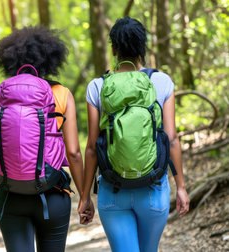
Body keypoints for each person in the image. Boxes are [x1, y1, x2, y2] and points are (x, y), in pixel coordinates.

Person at [79, 17, 190, 252]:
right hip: (153, 190)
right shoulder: (160, 82)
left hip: (113, 190)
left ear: (113, 49)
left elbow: (91, 147)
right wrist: (180, 186)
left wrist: (85, 196)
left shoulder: (98, 86)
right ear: (143, 47)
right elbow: (171, 139)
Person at [0, 27, 85, 252]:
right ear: (50, 59)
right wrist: (85, 196)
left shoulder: (7, 95)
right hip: (53, 193)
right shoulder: (62, 94)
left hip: (10, 195)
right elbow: (74, 153)